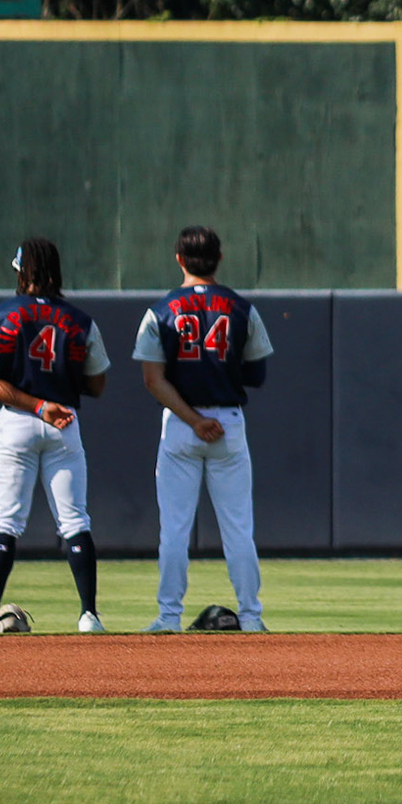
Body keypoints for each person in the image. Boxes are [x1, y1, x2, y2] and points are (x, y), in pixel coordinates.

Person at [0, 238, 111, 634]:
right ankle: (89, 616)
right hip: (64, 422)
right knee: (75, 520)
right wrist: (56, 390)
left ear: (20, 271)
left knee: (6, 522)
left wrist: (36, 404)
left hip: (16, 420)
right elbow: (97, 385)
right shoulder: (81, 321)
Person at [134, 226, 274, 633]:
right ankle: (251, 617)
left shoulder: (161, 310)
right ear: (220, 258)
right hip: (228, 423)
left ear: (178, 258)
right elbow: (257, 373)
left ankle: (168, 617)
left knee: (174, 529)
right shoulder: (242, 308)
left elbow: (152, 380)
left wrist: (193, 419)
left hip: (181, 425)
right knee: (238, 530)